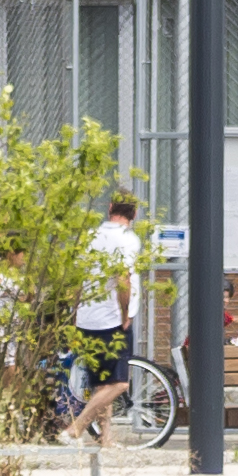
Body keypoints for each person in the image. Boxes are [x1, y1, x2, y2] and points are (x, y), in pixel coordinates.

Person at [61, 190, 144, 444]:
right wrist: (124, 314)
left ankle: (105, 439)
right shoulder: (128, 240)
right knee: (119, 384)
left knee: (102, 384)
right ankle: (75, 428)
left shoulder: (90, 236)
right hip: (111, 320)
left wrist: (75, 312)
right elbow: (123, 279)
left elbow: (76, 280)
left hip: (87, 317)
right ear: (135, 213)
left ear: (110, 208)